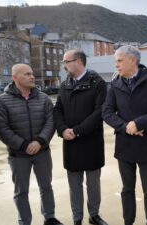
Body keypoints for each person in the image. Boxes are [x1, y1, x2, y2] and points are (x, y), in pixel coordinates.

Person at [102, 45, 147, 225]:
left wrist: (139, 123)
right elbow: (107, 112)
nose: (116, 65)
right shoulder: (115, 83)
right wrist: (126, 126)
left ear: (132, 60)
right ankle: (128, 222)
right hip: (125, 144)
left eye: (119, 60)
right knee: (127, 189)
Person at [0, 64, 62, 225]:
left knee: (46, 187)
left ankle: (49, 217)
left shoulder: (43, 98)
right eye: (27, 74)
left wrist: (40, 141)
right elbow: (1, 128)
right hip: (18, 155)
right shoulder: (2, 101)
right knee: (21, 192)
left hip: (42, 152)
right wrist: (24, 145)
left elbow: (51, 121)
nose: (32, 77)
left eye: (32, 73)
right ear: (15, 77)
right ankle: (24, 221)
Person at [53, 50, 108, 225]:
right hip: (70, 143)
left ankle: (94, 215)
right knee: (74, 185)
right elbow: (58, 110)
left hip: (91, 142)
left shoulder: (97, 83)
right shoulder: (65, 84)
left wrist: (76, 131)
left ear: (78, 61)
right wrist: (62, 130)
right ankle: (77, 218)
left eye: (66, 62)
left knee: (93, 184)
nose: (64, 66)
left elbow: (99, 112)